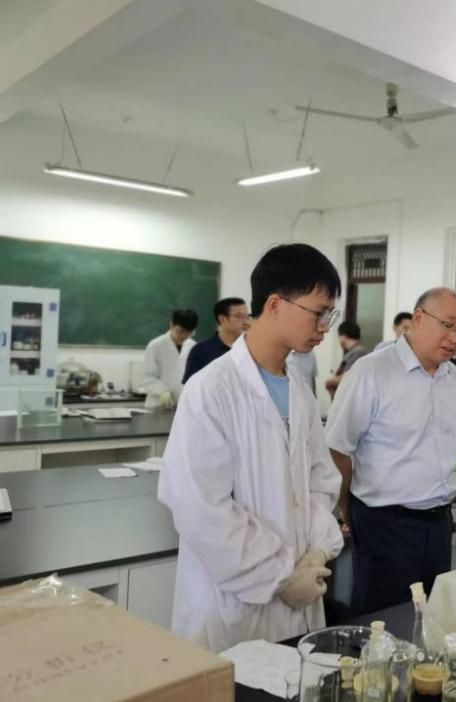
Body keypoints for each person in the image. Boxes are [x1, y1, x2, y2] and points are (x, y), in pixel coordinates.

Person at [157, 244, 345, 652]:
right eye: (319, 312)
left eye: (330, 315)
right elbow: (199, 506)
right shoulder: (211, 389)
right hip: (233, 606)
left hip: (301, 596)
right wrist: (280, 576)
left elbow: (321, 482)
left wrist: (316, 553)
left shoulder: (299, 390)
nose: (325, 326)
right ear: (275, 304)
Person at [325, 288, 456, 614]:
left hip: (438, 524)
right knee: (382, 623)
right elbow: (337, 447)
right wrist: (347, 508)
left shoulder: (453, 376)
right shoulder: (372, 371)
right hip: (385, 526)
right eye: (448, 325)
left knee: (430, 618)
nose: (455, 338)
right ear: (418, 318)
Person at [182, 297, 250, 383]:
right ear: (222, 319)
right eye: (239, 317)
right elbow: (190, 386)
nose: (246, 322)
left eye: (247, 317)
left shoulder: (252, 349)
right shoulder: (201, 351)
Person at [142, 309, 198, 408]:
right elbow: (148, 377)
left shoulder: (194, 347)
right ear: (171, 325)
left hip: (184, 405)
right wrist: (162, 392)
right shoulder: (155, 346)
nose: (184, 336)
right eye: (180, 331)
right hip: (158, 404)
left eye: (188, 333)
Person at [325, 321, 368, 398]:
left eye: (339, 336)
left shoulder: (358, 352)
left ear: (343, 336)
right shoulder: (353, 352)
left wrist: (330, 382)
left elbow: (350, 376)